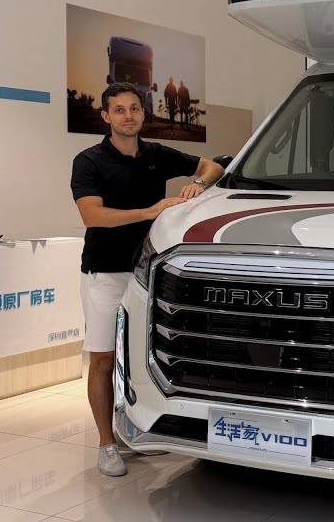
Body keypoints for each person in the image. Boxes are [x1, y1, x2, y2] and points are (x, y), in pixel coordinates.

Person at [70, 81, 223, 477]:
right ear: (106, 116)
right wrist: (151, 211)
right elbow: (92, 215)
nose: (129, 116)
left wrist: (198, 183)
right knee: (103, 359)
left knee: (143, 356)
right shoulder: (89, 161)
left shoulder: (156, 154)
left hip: (149, 273)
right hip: (105, 272)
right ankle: (106, 444)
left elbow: (214, 165)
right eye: (119, 110)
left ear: (143, 113)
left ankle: (137, 429)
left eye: (134, 108)